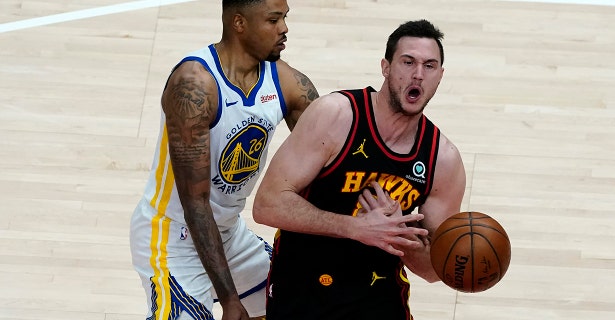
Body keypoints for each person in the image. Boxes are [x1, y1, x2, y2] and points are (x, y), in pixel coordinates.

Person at [252, 19, 466, 319]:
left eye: (430, 66)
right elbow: (266, 205)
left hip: (378, 298)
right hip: (301, 289)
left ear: (440, 76)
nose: (418, 74)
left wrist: (399, 234)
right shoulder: (336, 115)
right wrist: (356, 228)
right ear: (386, 67)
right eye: (408, 62)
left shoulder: (443, 160)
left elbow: (433, 270)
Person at [129, 0, 319, 319]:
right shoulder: (194, 85)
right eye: (273, 20)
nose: (284, 28)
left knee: (309, 303)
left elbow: (331, 159)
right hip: (172, 237)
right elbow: (195, 204)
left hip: (228, 234)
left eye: (285, 18)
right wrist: (230, 299)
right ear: (239, 23)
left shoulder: (288, 83)